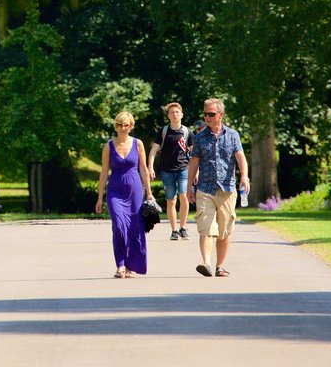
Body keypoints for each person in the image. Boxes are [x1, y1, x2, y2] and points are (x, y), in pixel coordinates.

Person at [186, 98, 249, 278]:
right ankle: (206, 263)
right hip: (205, 188)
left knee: (224, 230)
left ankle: (220, 266)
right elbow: (194, 163)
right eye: (205, 114)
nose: (207, 117)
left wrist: (244, 176)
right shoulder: (199, 138)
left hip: (227, 189)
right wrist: (190, 185)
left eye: (211, 114)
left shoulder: (233, 135)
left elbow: (240, 157)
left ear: (220, 115)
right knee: (205, 227)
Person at [95, 111, 154, 278]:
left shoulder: (138, 144)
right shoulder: (108, 146)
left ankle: (131, 266)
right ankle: (120, 264)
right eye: (119, 124)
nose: (122, 128)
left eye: (126, 125)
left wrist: (149, 193)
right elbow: (104, 172)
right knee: (119, 227)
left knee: (135, 229)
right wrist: (100, 197)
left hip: (134, 190)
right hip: (115, 190)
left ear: (131, 126)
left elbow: (143, 168)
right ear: (116, 126)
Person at [146, 102, 193, 241]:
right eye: (172, 112)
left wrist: (196, 171)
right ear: (168, 116)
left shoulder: (187, 132)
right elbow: (153, 151)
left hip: (184, 168)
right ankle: (174, 230)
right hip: (167, 170)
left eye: (177, 112)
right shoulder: (163, 131)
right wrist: (150, 167)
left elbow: (194, 154)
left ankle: (183, 227)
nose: (175, 114)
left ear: (182, 114)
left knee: (184, 196)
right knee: (171, 200)